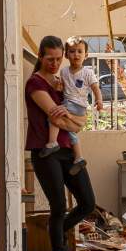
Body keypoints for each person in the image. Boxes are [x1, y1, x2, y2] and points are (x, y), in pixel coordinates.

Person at [25, 35, 96, 251]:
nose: (54, 64)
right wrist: (75, 122)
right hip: (46, 151)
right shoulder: (35, 84)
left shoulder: (61, 81)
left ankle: (56, 231)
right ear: (41, 57)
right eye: (49, 59)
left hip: (67, 150)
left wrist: (74, 121)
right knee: (58, 206)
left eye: (58, 59)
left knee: (87, 202)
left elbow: (75, 123)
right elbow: (58, 117)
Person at [39, 36, 103, 176]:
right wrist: (58, 87)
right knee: (71, 134)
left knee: (53, 117)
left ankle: (52, 142)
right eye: (72, 51)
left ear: (86, 55)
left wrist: (99, 100)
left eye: (80, 51)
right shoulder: (64, 72)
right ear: (66, 55)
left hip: (77, 105)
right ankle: (79, 158)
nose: (76, 55)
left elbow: (95, 87)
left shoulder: (88, 72)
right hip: (68, 102)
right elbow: (63, 88)